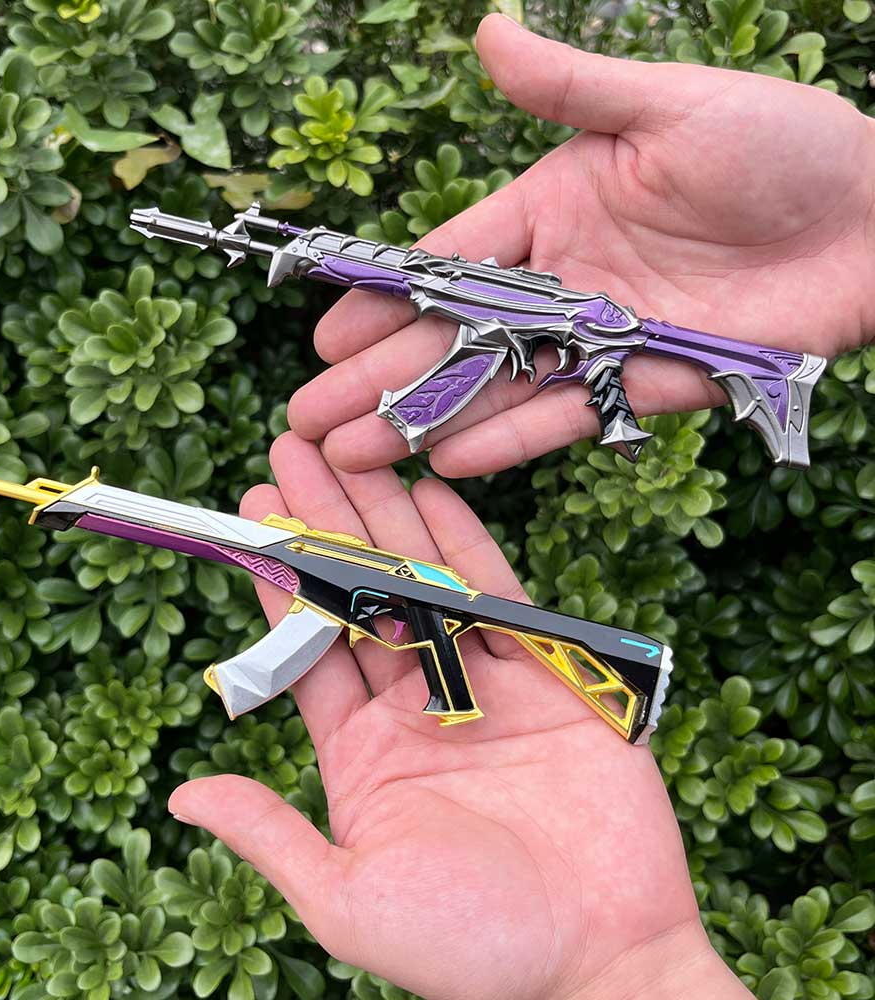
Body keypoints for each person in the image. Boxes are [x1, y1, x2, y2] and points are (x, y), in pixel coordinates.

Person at [168, 13, 875, 1000]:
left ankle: (620, 415)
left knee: (473, 394)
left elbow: (560, 347)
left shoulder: (568, 312)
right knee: (470, 398)